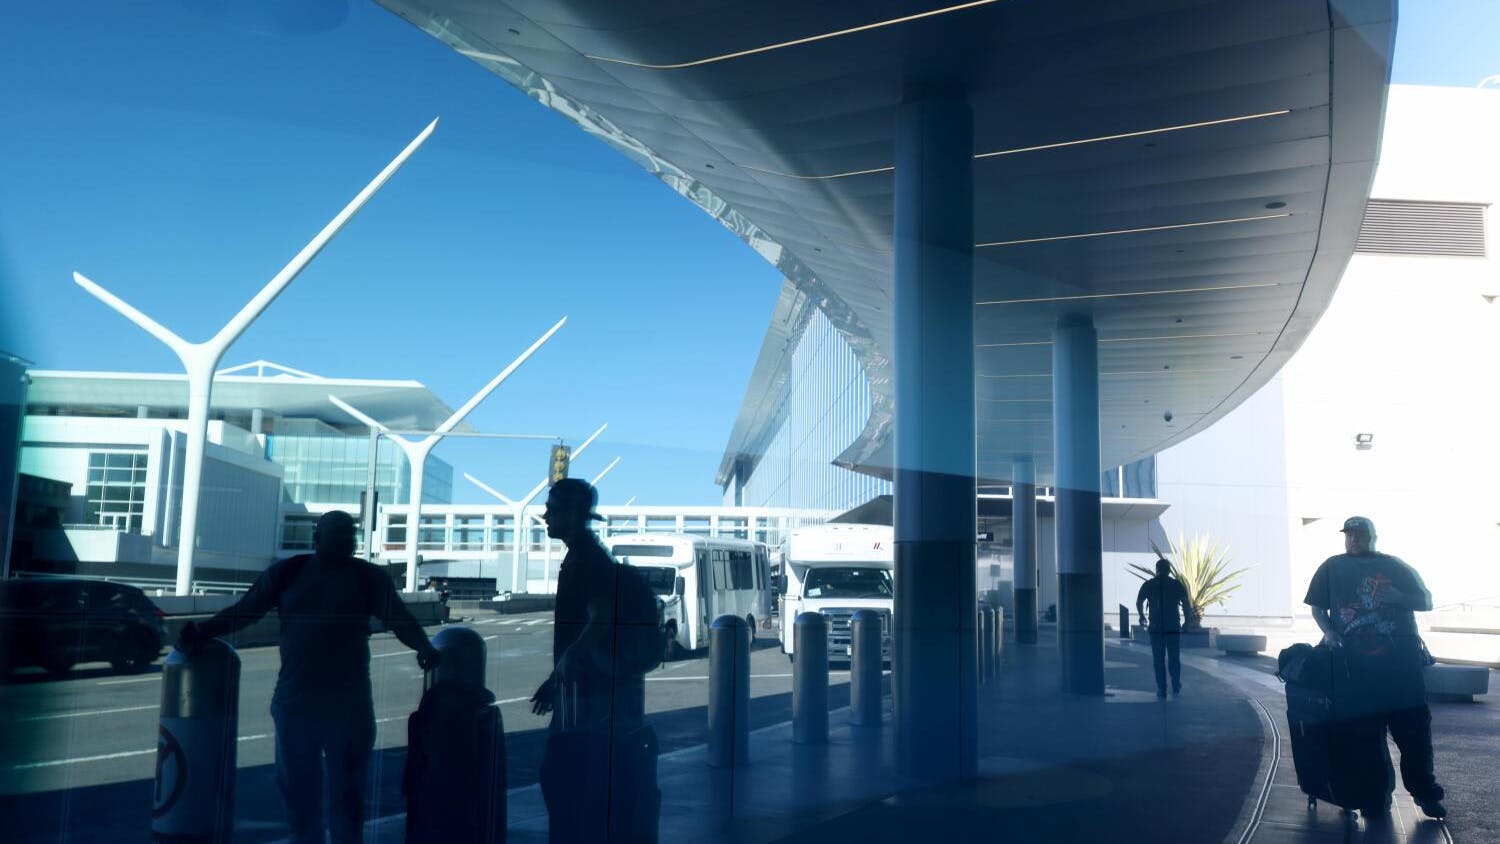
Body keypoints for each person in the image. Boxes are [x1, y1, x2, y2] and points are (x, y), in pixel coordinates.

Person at [177, 510, 440, 844]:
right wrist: (202, 630)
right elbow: (245, 613)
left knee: (341, 798)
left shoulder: (325, 575)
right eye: (340, 535)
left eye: (350, 536)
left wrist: (424, 646)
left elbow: (399, 620)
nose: (347, 541)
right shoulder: (308, 574)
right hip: (317, 706)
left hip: (333, 706)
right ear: (318, 539)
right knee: (305, 797)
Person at [531, 478, 661, 843]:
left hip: (588, 698)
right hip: (588, 691)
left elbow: (599, 617)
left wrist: (563, 671)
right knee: (573, 782)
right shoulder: (585, 556)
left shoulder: (586, 560)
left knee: (567, 782)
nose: (545, 516)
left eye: (552, 509)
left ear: (573, 515)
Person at [1304, 516, 1445, 819]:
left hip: (1402, 671)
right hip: (1356, 672)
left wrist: (1399, 597)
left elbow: (1426, 601)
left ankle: (1425, 794)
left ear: (1372, 537)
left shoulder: (1394, 566)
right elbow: (1317, 607)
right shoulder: (1331, 567)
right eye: (1349, 535)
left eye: (1359, 535)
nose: (1353, 540)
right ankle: (1374, 798)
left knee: (1415, 738)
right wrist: (1328, 631)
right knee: (1365, 742)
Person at [1136, 557, 1191, 698]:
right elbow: (1185, 604)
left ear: (1157, 569)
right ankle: (1176, 685)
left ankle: (1162, 688)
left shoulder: (1149, 584)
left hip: (1155, 628)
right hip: (1173, 627)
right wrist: (1187, 621)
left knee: (1158, 659)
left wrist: (1142, 615)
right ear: (1169, 570)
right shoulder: (1176, 584)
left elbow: (1139, 601)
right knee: (1174, 658)